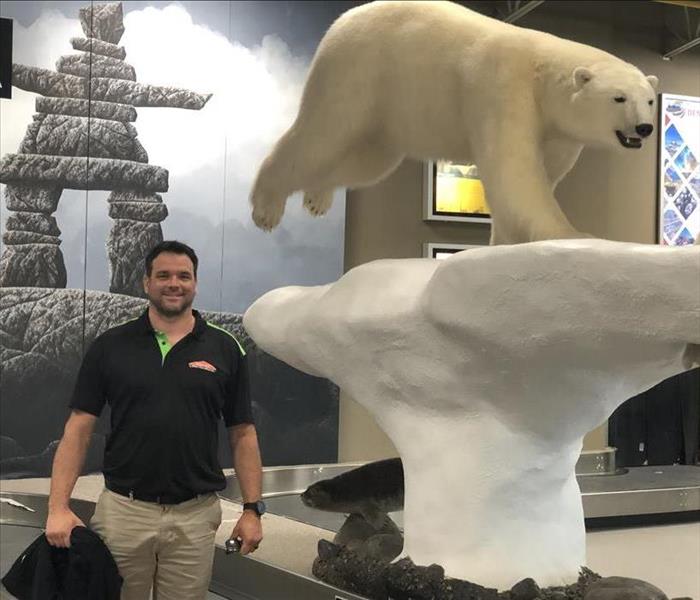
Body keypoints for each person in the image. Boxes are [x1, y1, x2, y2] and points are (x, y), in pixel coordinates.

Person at [45, 240, 264, 600]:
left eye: (183, 275)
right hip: (123, 513)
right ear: (146, 282)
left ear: (195, 283)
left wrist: (252, 510)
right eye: (163, 275)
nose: (173, 283)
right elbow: (78, 430)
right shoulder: (110, 346)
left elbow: (243, 433)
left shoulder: (225, 348)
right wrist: (57, 508)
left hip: (194, 517)